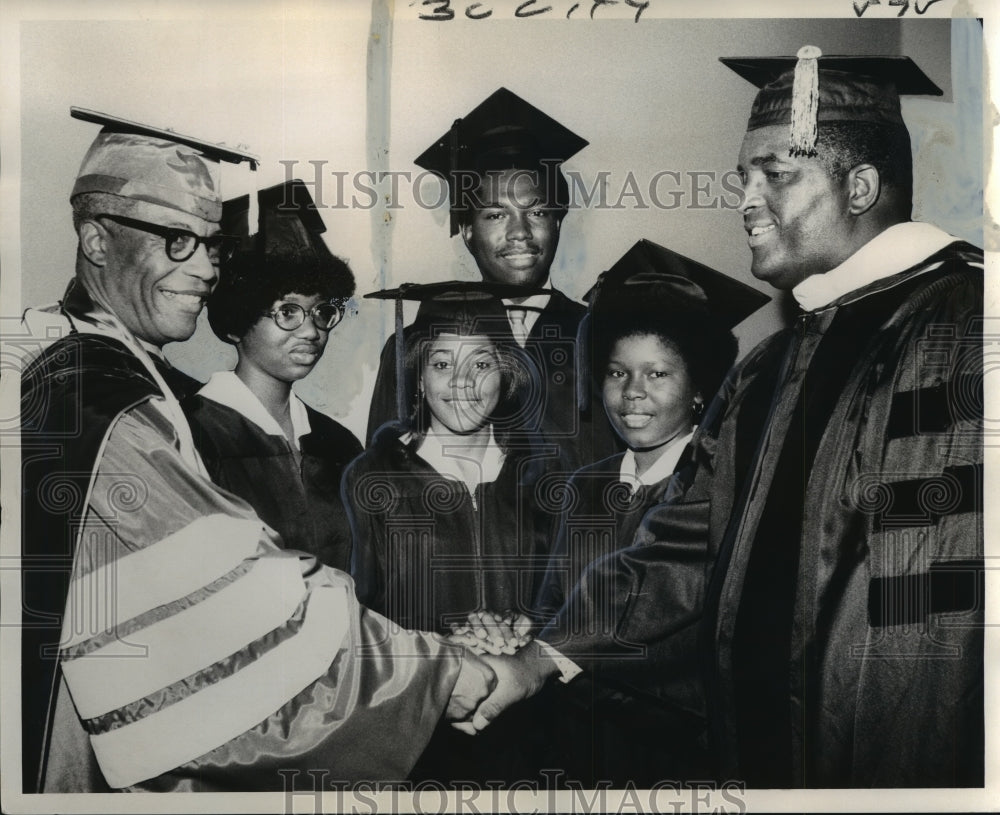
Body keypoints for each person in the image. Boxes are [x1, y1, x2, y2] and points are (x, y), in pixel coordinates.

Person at [464, 49, 985, 789]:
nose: (744, 198)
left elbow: (930, 617)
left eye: (774, 174)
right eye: (744, 176)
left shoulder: (959, 328)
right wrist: (539, 660)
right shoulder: (769, 365)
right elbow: (681, 546)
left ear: (861, 186)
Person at [18, 108, 495, 793]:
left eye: (211, 244)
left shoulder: (112, 377)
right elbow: (235, 618)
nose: (206, 267)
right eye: (177, 240)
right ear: (97, 241)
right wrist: (437, 673)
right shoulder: (99, 401)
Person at [531, 240, 767, 786]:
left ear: (700, 388)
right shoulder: (584, 487)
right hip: (574, 756)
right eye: (617, 373)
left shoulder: (721, 489)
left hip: (678, 761)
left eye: (657, 374)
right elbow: (550, 609)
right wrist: (518, 631)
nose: (632, 394)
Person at [345, 281, 565, 783]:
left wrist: (527, 630)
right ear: (418, 378)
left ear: (506, 374)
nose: (462, 383)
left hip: (535, 730)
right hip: (421, 729)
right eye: (442, 364)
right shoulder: (373, 478)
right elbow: (355, 614)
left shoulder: (543, 478)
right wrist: (446, 646)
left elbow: (573, 596)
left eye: (481, 364)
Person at [366, 87, 618, 472]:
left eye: (537, 212)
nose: (520, 232)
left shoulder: (601, 335)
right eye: (496, 215)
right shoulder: (419, 343)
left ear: (558, 220)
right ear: (467, 231)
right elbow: (381, 481)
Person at [184, 180, 362, 571]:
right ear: (237, 322)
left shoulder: (338, 445)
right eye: (288, 312)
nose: (312, 330)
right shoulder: (191, 434)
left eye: (321, 312)